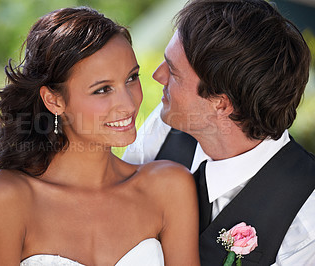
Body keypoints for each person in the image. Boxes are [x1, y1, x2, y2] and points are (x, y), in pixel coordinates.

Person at [0, 7, 200, 266]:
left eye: (131, 78)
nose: (127, 103)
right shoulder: (7, 198)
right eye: (102, 90)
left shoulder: (169, 188)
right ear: (53, 100)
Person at [123, 0, 315, 265]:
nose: (158, 76)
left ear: (221, 103)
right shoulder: (166, 124)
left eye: (174, 73)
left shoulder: (307, 213)